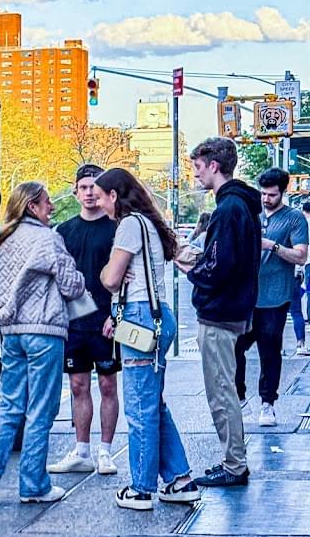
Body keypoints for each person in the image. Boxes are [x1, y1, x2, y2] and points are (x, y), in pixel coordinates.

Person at [0, 181, 85, 504]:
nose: (52, 207)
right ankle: (33, 484)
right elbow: (72, 286)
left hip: (12, 333)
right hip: (45, 331)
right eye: (47, 202)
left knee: (8, 404)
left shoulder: (0, 243)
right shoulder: (48, 239)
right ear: (32, 206)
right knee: (41, 408)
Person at [94, 168, 200, 510]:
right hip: (153, 316)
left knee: (140, 407)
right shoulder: (148, 223)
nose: (99, 204)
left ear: (114, 195)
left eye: (101, 197)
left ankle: (141, 488)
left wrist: (106, 271)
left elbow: (111, 279)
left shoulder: (129, 224)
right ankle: (180, 479)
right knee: (153, 403)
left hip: (140, 320)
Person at [181, 138, 261, 488]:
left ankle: (234, 464)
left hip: (220, 312)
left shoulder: (228, 209)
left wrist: (192, 270)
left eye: (199, 167)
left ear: (214, 165)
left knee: (221, 391)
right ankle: (234, 461)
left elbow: (218, 266)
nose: (196, 174)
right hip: (234, 309)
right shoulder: (241, 205)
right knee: (225, 387)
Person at [48, 164, 121, 476]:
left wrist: (117, 314)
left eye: (94, 187)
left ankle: (105, 451)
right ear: (75, 192)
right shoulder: (63, 231)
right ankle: (81, 451)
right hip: (74, 322)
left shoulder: (117, 228)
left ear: (104, 192)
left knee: (107, 384)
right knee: (78, 385)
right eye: (84, 187)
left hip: (106, 321)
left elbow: (126, 277)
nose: (90, 193)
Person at [234, 168, 309, 422]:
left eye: (272, 195)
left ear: (283, 192)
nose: (266, 199)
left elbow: (301, 256)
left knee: (269, 351)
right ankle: (239, 397)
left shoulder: (294, 218)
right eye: (263, 193)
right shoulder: (251, 214)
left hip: (276, 296)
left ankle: (267, 403)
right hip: (245, 296)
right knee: (233, 346)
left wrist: (272, 246)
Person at [291, 200, 310, 356]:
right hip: (299, 269)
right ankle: (300, 344)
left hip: (288, 271)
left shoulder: (298, 225)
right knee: (296, 310)